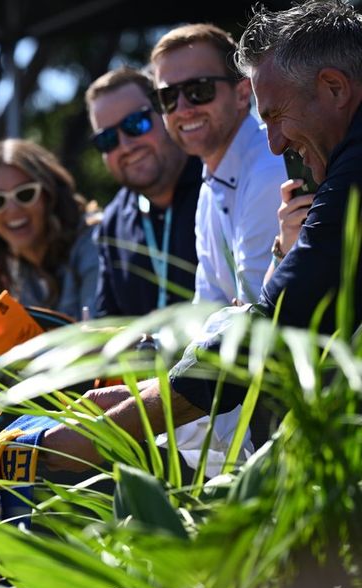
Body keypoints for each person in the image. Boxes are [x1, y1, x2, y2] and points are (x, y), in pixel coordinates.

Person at [41, 0, 362, 472]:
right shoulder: (213, 182)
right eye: (168, 98)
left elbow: (268, 331)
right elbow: (219, 319)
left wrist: (86, 439)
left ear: (334, 87)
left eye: (273, 115)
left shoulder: (317, 167)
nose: (274, 142)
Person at [150, 23, 286, 307]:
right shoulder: (211, 184)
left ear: (241, 93)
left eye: (199, 89)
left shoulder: (269, 169)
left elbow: (255, 309)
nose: (184, 108)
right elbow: (208, 306)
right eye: (168, 97)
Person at [86, 66, 202, 317]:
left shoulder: (218, 184)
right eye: (107, 139)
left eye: (136, 123)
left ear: (165, 112)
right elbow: (109, 324)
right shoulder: (112, 224)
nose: (126, 146)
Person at [0, 139, 99, 321]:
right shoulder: (14, 266)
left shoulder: (94, 243)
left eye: (25, 194)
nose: (12, 210)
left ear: (50, 195)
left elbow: (95, 336)